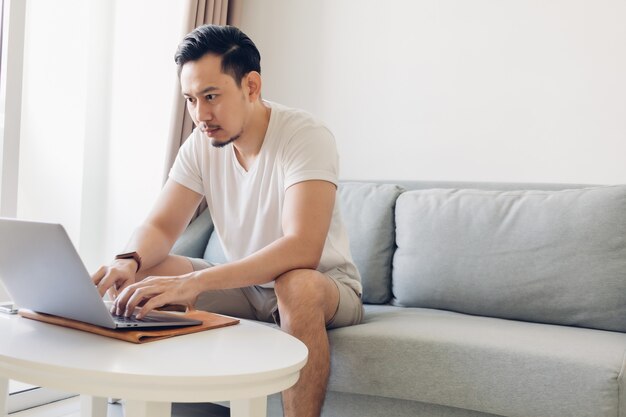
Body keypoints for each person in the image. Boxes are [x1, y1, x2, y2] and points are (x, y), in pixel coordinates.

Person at [91, 24, 363, 417]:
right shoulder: (201, 144)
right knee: (138, 279)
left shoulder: (305, 136)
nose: (201, 114)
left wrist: (196, 282)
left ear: (251, 86)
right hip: (246, 287)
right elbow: (163, 226)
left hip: (323, 289)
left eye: (211, 96)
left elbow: (302, 247)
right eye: (190, 99)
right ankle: (139, 401)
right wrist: (127, 260)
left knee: (295, 285)